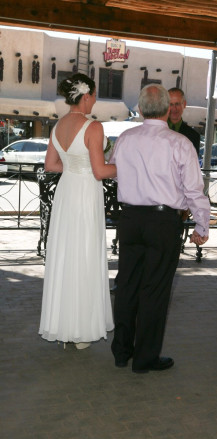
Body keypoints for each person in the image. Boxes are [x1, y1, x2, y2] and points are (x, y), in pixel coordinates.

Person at [109, 84, 210, 373]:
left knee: (127, 284)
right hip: (163, 222)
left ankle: (121, 351)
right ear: (168, 109)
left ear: (140, 109)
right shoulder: (179, 143)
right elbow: (193, 189)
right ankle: (145, 359)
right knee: (155, 289)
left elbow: (116, 174)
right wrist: (202, 224)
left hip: (129, 219)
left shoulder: (126, 138)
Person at [39, 73, 116, 348]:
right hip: (85, 194)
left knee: (66, 254)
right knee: (84, 255)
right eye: (94, 95)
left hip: (67, 191)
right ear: (85, 96)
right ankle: (81, 330)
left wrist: (74, 168)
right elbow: (100, 171)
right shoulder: (93, 127)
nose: (95, 100)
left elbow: (50, 165)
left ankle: (64, 324)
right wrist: (126, 166)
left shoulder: (58, 125)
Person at [168, 87, 200, 155]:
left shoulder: (194, 136)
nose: (174, 108)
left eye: (177, 104)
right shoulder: (157, 131)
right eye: (171, 104)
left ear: (184, 104)